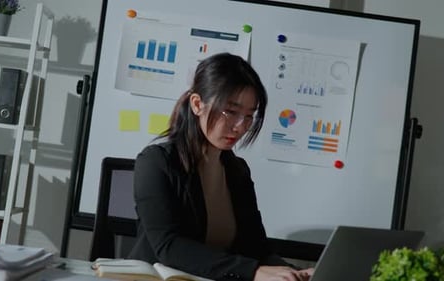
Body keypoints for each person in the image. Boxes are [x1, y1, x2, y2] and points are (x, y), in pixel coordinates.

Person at [128, 53, 314, 281]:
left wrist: (296, 274)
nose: (240, 127)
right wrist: (252, 272)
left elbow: (256, 248)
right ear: (197, 104)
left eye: (248, 116)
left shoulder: (237, 171)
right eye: (231, 111)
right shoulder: (156, 162)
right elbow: (169, 246)